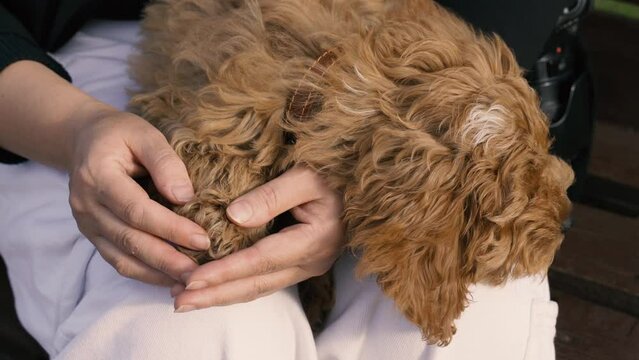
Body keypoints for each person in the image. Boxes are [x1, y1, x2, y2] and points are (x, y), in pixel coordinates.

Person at [0, 1, 564, 359]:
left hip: (434, 88)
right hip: (81, 76)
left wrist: (381, 159)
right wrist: (77, 130)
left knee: (476, 324)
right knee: (185, 324)